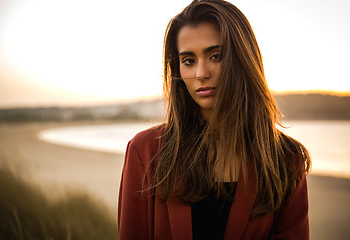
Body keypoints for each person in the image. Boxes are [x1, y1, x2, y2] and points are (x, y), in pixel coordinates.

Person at [118, 0, 311, 239]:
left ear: (244, 58)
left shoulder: (286, 160)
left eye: (216, 56)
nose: (201, 73)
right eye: (188, 60)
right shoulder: (145, 152)